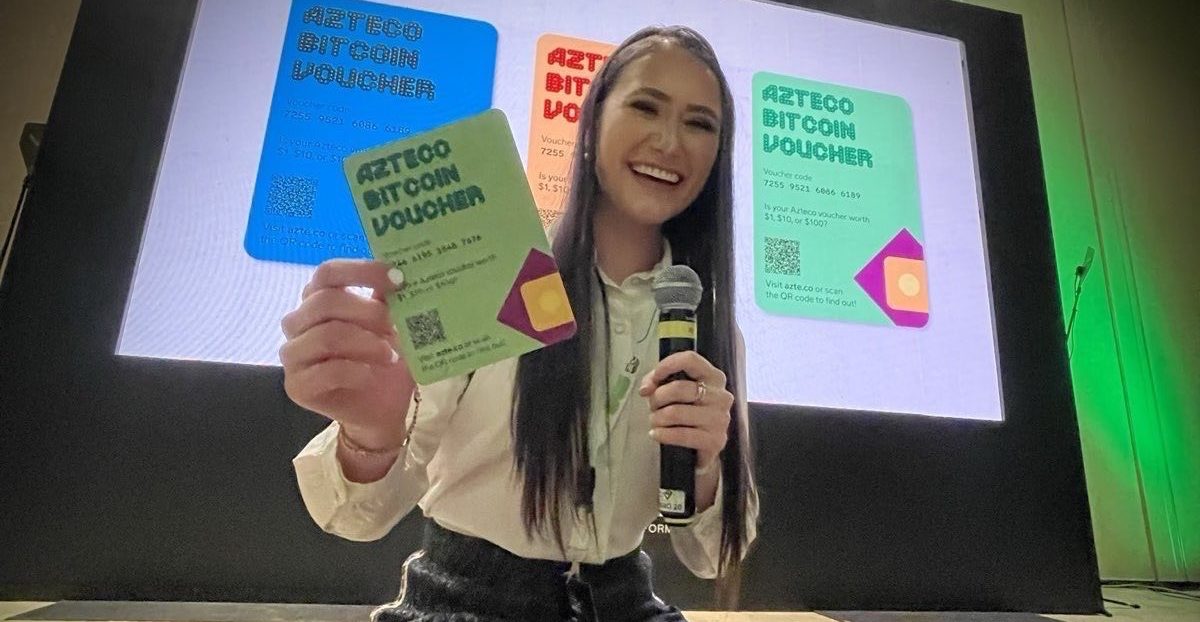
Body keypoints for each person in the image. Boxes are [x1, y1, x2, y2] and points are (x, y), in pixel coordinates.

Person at [281, 25, 758, 622]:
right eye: (645, 107)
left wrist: (705, 467)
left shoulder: (706, 330)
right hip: (466, 601)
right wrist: (369, 434)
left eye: (700, 123)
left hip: (624, 604)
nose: (668, 141)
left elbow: (714, 556)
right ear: (591, 125)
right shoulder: (493, 273)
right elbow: (362, 516)